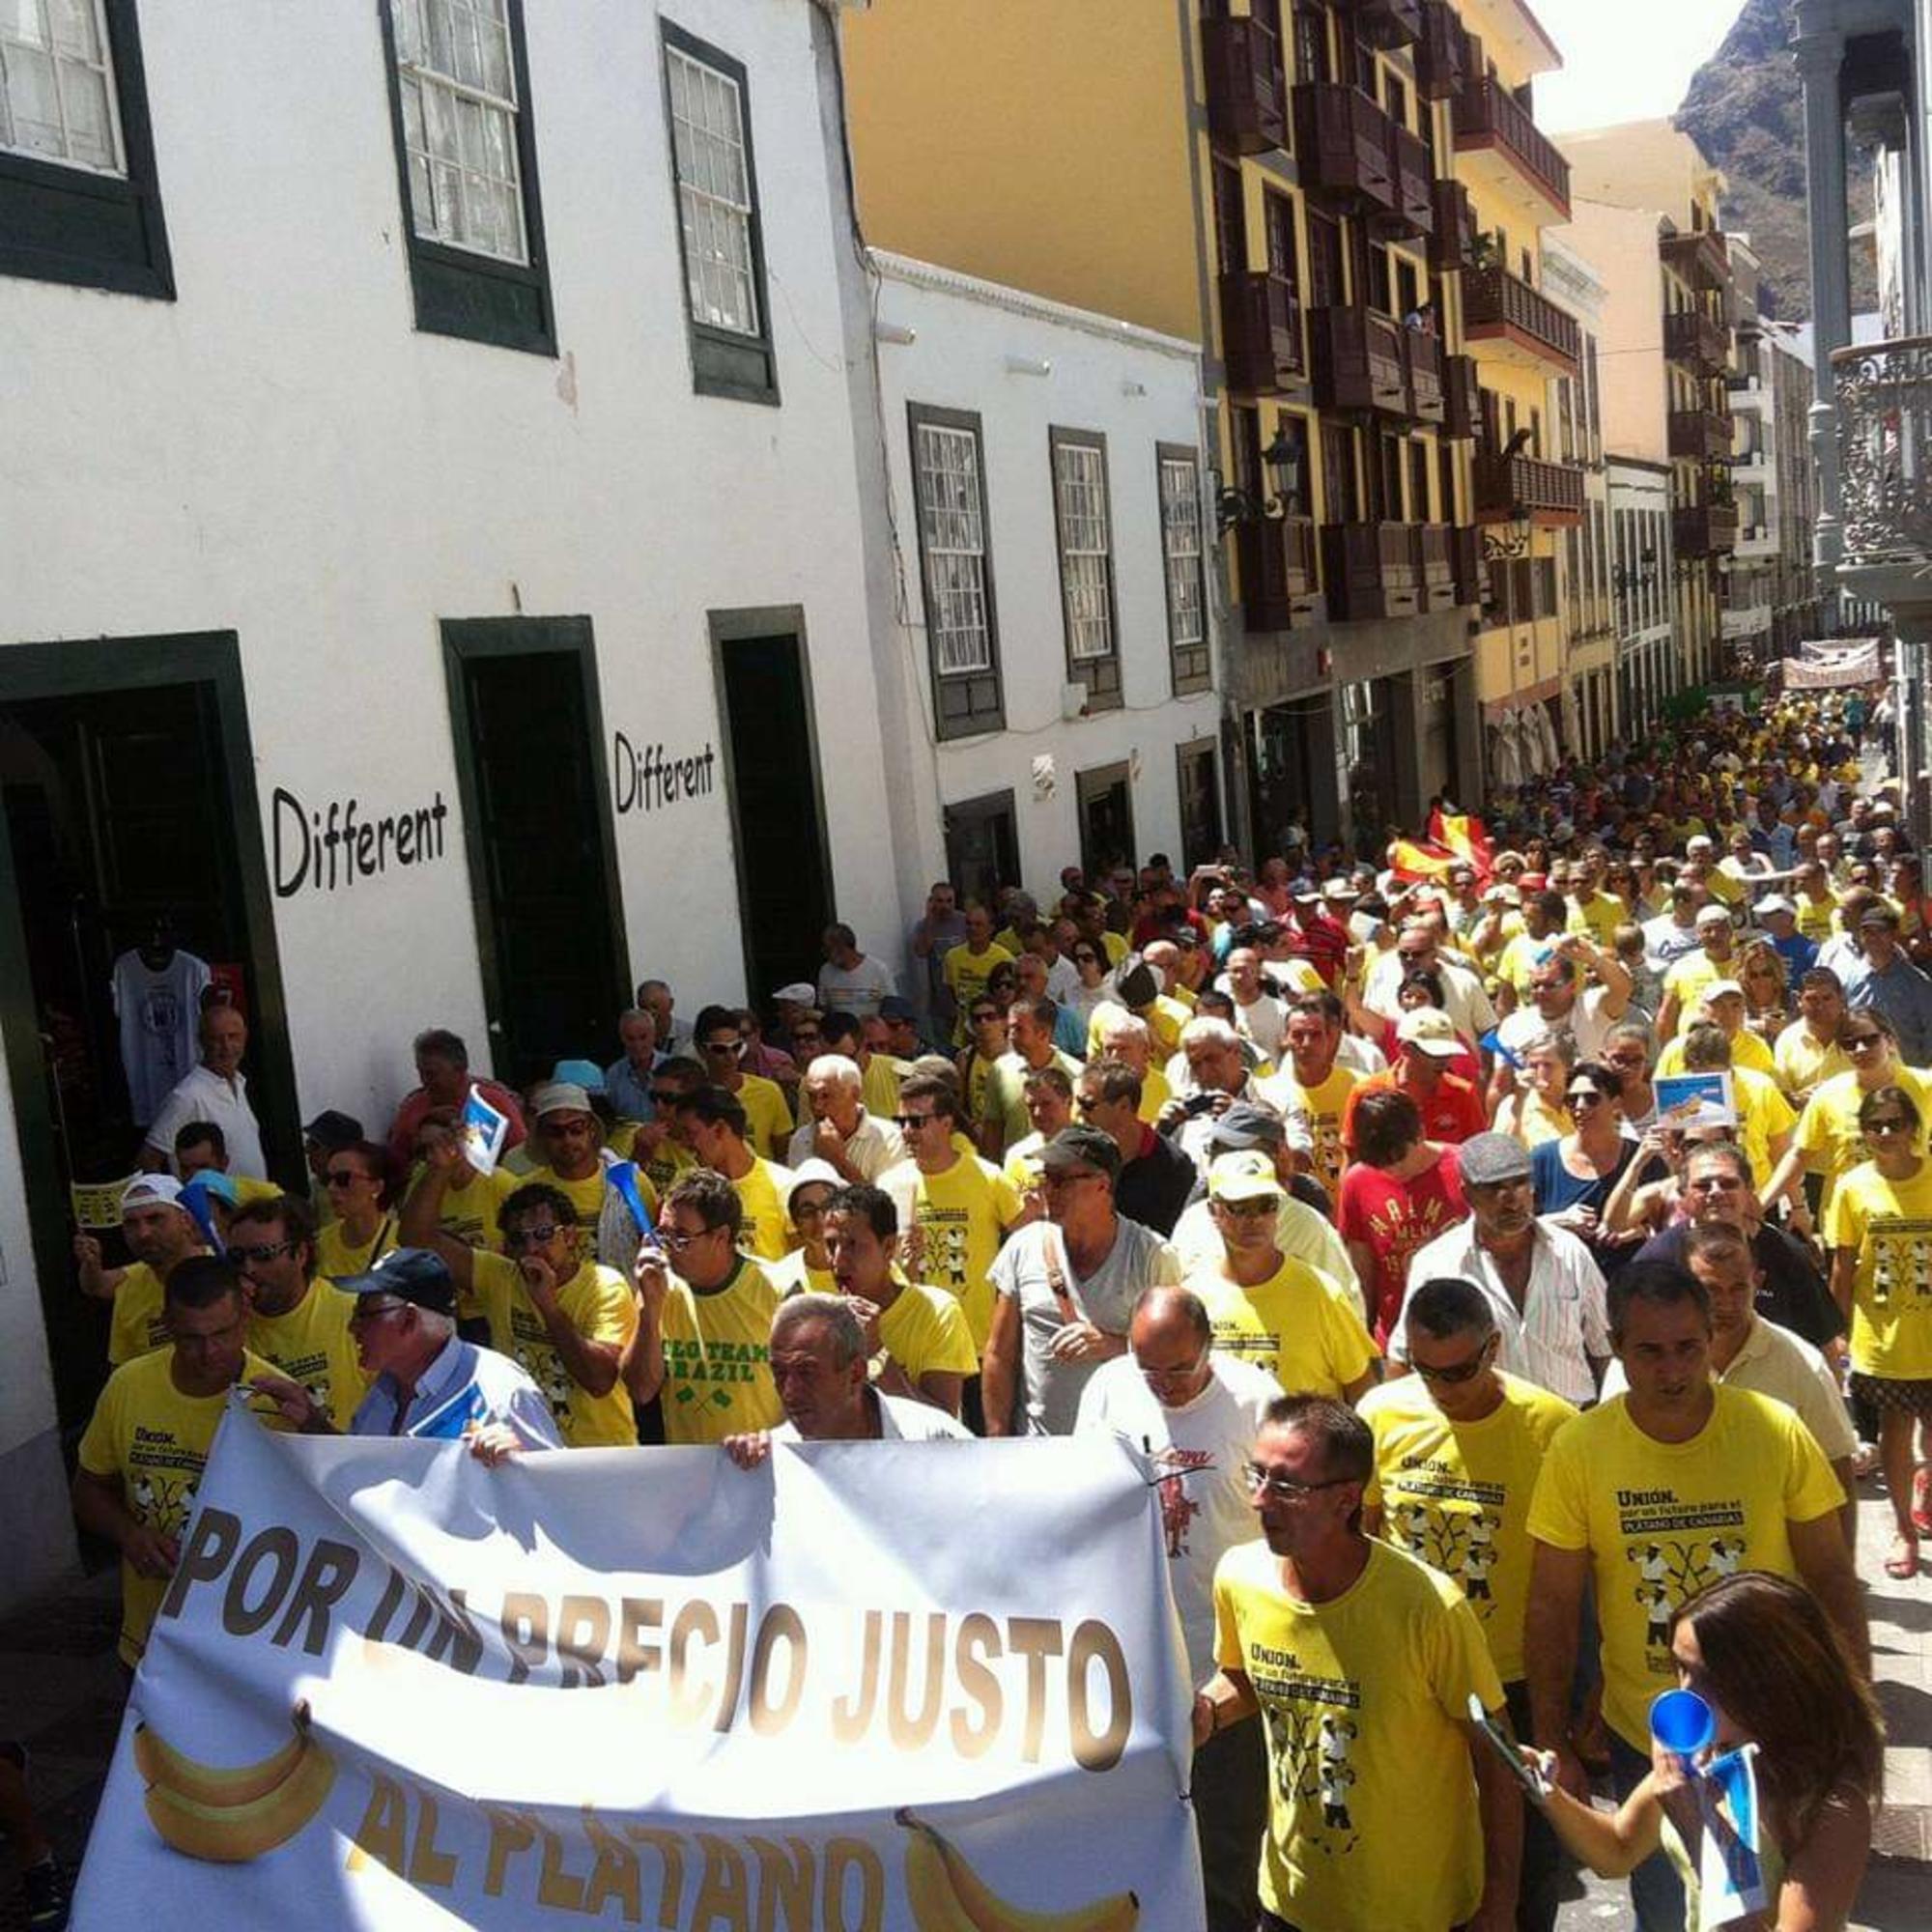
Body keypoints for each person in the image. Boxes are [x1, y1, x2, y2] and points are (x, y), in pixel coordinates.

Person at [1525, 1262, 1866, 1932]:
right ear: (1617, 1348)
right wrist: (1547, 1734)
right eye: (1649, 1351)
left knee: (1754, 1904)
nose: (1673, 1369)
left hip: (1773, 1733)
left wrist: (1855, 1709)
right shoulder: (1579, 1448)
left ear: (1713, 1338)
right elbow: (1552, 1605)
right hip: (1653, 1732)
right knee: (1671, 1912)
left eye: (1689, 1347)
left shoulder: (1773, 1429)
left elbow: (1830, 1578)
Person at [1198, 1395, 1524, 1932]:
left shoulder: (1429, 1608)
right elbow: (1243, 1679)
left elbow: (1498, 1759)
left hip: (1413, 1913)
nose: (1260, 1500)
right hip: (1290, 1903)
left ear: (1347, 1499)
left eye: (1287, 1486)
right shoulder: (1239, 1578)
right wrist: (1205, 1713)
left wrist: (1500, 1904)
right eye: (1256, 1475)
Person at [1360, 1277, 1577, 1932]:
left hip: (1510, 1679)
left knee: (1526, 1869)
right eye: (1426, 1370)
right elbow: (1365, 1541)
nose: (1443, 1387)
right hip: (1412, 1678)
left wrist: (1556, 1721)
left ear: (1495, 1347)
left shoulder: (1552, 1428)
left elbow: (1567, 1587)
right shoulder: (1381, 1413)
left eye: (1459, 1370)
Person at [1076, 1287, 1281, 1932]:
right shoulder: (1110, 1387)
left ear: (1209, 1351)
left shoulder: (1256, 1402)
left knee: (1225, 1843)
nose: (1162, 1385)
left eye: (1179, 1370)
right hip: (1129, 1664)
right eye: (1150, 1370)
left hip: (1224, 1668)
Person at [1532, 1574, 1882, 1932]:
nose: (1687, 1691)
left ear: (1773, 1681)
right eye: (1681, 1668)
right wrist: (1548, 1793)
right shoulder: (1705, 1752)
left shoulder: (1831, 1807)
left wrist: (1702, 1836)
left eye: (1709, 1677)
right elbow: (1618, 1850)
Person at [73, 1256, 279, 1667]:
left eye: (222, 1333)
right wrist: (130, 1535)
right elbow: (88, 1489)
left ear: (245, 1319)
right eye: (190, 1338)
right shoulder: (127, 1386)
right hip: (152, 1642)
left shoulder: (276, 1400)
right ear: (167, 1324)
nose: (208, 1352)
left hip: (249, 1649)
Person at [1602, 1221, 1858, 1546]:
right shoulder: (1640, 1363)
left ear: (1758, 1281)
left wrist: (1841, 1571)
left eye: (1738, 1288)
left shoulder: (1802, 1363)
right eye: (1711, 1290)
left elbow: (1837, 1469)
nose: (1726, 1304)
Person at [249, 1247, 559, 1458]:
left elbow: (561, 1497)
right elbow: (370, 1476)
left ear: (409, 1320)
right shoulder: (380, 1397)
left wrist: (520, 1462)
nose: (352, 1327)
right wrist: (311, 1421)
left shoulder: (499, 1391)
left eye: (365, 1314)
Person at [401, 1180, 637, 1447]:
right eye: (518, 1238)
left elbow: (599, 1381)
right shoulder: (500, 1276)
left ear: (570, 1236)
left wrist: (549, 1307)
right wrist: (439, 1167)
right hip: (521, 1450)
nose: (531, 1248)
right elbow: (415, 1239)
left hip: (596, 1456)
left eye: (544, 1233)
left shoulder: (605, 1286)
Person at [981, 1125, 1179, 1436]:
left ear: (1102, 1185)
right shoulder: (1024, 1246)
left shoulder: (1151, 1255)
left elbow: (1173, 1357)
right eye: (1045, 1178)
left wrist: (1113, 1345)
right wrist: (997, 1437)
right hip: (1038, 1450)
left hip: (1121, 1452)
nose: (1049, 1190)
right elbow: (998, 1353)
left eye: (1060, 1180)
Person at [1396, 1133, 1610, 1408]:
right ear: (1467, 1194)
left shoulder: (1570, 1253)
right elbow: (1403, 1359)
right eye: (1493, 1188)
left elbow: (1605, 1348)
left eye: (1519, 1183)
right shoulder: (1437, 1265)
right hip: (1482, 1435)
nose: (1510, 1200)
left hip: (1570, 1432)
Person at [1824, 1083, 1932, 1578]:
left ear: (1913, 1127)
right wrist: (1836, 1332)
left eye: (1895, 1123)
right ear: (1864, 1132)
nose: (1886, 1133)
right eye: (1876, 1125)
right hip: (1885, 1340)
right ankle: (1904, 1532)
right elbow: (1843, 1267)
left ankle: (1924, 1486)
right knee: (1895, 1432)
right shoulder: (1852, 1187)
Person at [1184, 1151, 1378, 1399]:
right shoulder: (1193, 1299)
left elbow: (1362, 1387)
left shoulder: (1322, 1293)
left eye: (1266, 1205)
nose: (1255, 1219)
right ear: (1213, 1211)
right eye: (1239, 1208)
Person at [624, 1167, 784, 1444]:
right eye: (664, 1234)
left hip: (762, 1466)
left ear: (721, 1237)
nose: (668, 1248)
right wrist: (648, 1311)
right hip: (690, 1471)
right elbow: (640, 1390)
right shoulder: (659, 1288)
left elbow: (814, 1393)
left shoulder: (778, 1290)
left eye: (682, 1237)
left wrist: (774, 1438)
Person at [1634, 1141, 1845, 1351]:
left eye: (1728, 1184)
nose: (1715, 1192)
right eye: (1703, 1185)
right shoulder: (1655, 1261)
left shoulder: (1786, 1253)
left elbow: (1824, 1341)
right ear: (1682, 1193)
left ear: (1749, 1189)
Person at [724, 1295, 971, 1465]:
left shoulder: (932, 1438)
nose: (789, 1392)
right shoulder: (771, 1458)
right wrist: (740, 1468)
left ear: (855, 1374)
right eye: (779, 1372)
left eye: (807, 1373)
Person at [1168, 1106, 1363, 1312]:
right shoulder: (1192, 1223)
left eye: (1236, 1150)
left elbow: (1348, 1306)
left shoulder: (1308, 1226)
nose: (1226, 1159)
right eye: (1217, 1149)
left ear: (1277, 1154)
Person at [815, 1182, 978, 1415]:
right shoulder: (819, 1316)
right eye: (831, 1245)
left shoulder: (938, 1312)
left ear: (889, 1247)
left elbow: (943, 1425)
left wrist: (876, 1351)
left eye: (852, 1245)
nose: (838, 1261)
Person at [227, 1194, 368, 1431]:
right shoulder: (228, 1324)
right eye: (237, 1257)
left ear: (301, 1254)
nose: (249, 1268)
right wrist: (232, 1324)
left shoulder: (351, 1312)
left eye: (264, 1254)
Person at [1336, 1089, 1466, 1345]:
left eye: (1399, 1159)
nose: (1393, 1171)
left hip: (1463, 1335)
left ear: (1421, 1133)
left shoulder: (1465, 1167)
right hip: (1396, 1337)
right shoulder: (1357, 1182)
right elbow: (1362, 1273)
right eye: (1381, 1164)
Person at [1530, 1061, 1661, 1281]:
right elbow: (1518, 1226)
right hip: (1563, 1283)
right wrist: (1561, 1221)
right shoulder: (1542, 1159)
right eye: (1572, 1100)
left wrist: (1636, 1230)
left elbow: (1666, 1223)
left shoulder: (1645, 1159)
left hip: (1629, 1284)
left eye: (1591, 1099)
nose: (1580, 1106)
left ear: (1616, 1104)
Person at [73, 1174, 208, 1365]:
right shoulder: (129, 1290)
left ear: (185, 1220)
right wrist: (90, 1264)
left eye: (155, 1219)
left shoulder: (227, 1270)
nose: (143, 1233)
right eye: (131, 1223)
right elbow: (124, 1371)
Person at [141, 1002, 267, 1179]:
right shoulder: (187, 1096)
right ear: (202, 1041)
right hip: (215, 1205)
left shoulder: (238, 1082)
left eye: (233, 1036)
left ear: (245, 1037)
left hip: (253, 1201)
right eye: (217, 1039)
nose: (226, 1046)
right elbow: (149, 1159)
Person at [1076, 1056, 1196, 1236]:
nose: (1079, 1112)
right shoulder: (1076, 1154)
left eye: (1088, 1104)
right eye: (1078, 1102)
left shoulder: (1173, 1165)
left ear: (1124, 1106)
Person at [1341, 1009, 1487, 1152]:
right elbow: (1353, 1157)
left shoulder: (1463, 1093)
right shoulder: (1366, 1093)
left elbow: (1478, 1155)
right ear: (1405, 1048)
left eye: (1447, 1053)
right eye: (1434, 1053)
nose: (1443, 1061)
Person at [384, 1027, 526, 1172]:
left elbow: (520, 1154)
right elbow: (395, 1162)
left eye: (432, 1074)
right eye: (421, 1072)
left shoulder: (493, 1102)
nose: (424, 1080)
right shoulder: (413, 1107)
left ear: (460, 1069)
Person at [1266, 995, 1360, 1203]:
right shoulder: (1268, 1092)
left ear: (1331, 1037)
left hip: (1347, 1208)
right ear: (1285, 1039)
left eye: (1315, 1035)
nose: (1306, 1044)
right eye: (1298, 1035)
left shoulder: (1358, 1086)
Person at [978, 998, 1083, 1156]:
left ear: (1043, 1033)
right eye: (1010, 1029)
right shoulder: (1001, 1070)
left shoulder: (1077, 1075)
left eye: (1018, 1029)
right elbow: (993, 1127)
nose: (1011, 1036)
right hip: (1016, 1171)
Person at [781, 1053, 905, 1184]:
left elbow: (886, 1204)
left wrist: (840, 1161)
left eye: (826, 1096)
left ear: (855, 1094)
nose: (817, 1106)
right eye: (812, 1096)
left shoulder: (890, 1139)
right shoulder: (802, 1139)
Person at [693, 1005, 795, 1159]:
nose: (731, 1056)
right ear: (701, 1050)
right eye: (720, 1049)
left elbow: (783, 1153)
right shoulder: (692, 1098)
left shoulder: (769, 1091)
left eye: (736, 1047)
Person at [1841, 902, 1932, 1062]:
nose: (1873, 937)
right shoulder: (1846, 979)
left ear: (1895, 935)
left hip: (1909, 1076)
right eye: (1867, 931)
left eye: (1881, 931)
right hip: (1864, 1073)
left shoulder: (1918, 983)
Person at [313, 1140, 399, 1279]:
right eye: (327, 1179)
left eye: (343, 1179)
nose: (331, 1188)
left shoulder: (402, 1243)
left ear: (377, 1187)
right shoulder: (320, 1245)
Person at [1774, 967, 1851, 1104]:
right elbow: (1780, 1098)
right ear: (1799, 1000)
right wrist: (1797, 1099)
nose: (1820, 1006)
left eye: (1827, 998)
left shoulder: (1865, 1033)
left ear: (1841, 999)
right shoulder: (1787, 1040)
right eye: (1812, 999)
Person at [942, 903, 1014, 1045]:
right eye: (968, 924)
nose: (972, 928)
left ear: (991, 928)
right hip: (962, 1038)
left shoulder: (1004, 958)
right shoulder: (952, 957)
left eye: (978, 924)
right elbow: (950, 994)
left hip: (994, 1035)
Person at [1000, 1064, 1077, 1194]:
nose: (1037, 1113)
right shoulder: (1018, 1155)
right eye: (1031, 1106)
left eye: (1046, 1104)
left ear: (1068, 1102)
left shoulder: (1089, 1148)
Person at [816, 923, 897, 1021]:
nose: (829, 955)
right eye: (826, 951)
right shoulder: (826, 971)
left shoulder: (878, 969)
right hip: (842, 1032)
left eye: (830, 950)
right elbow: (824, 1006)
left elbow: (893, 1006)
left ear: (846, 947)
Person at [603, 1007, 662, 1123]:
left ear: (654, 1035)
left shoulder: (672, 1067)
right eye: (630, 1039)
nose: (638, 1045)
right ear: (622, 1038)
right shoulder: (613, 1075)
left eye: (643, 1037)